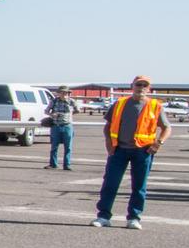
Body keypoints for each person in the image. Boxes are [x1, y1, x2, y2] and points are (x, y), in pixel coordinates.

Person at [93, 76, 171, 229]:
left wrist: (158, 143)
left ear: (149, 89)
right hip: (119, 150)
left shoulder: (155, 106)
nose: (141, 87)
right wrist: (109, 145)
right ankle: (103, 216)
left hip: (143, 151)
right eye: (138, 84)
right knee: (110, 183)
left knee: (139, 186)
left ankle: (134, 218)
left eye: (144, 85)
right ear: (132, 86)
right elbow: (107, 127)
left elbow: (167, 128)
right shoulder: (120, 104)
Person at [45, 87, 78, 171]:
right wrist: (52, 115)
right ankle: (53, 164)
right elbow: (46, 111)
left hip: (67, 126)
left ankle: (67, 165)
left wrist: (69, 115)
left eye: (66, 93)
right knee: (54, 146)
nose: (64, 94)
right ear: (59, 93)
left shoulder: (72, 101)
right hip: (56, 126)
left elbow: (77, 110)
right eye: (62, 92)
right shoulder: (54, 101)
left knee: (68, 147)